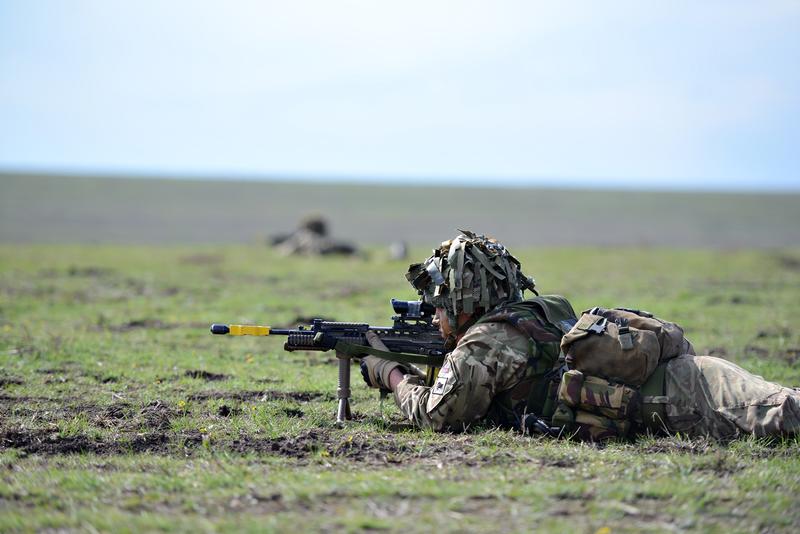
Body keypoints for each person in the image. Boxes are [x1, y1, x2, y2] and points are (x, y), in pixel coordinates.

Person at [359, 230, 800, 441]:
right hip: (688, 378)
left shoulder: (484, 344)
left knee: (789, 413)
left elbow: (438, 416)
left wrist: (392, 374)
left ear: (465, 298)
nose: (435, 314)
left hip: (681, 400)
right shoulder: (537, 311)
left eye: (441, 303)